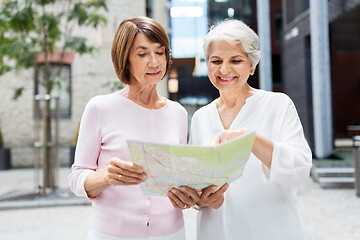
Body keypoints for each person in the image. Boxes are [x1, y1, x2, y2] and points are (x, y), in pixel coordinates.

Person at [168, 19, 312, 240]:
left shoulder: (278, 104)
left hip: (271, 230)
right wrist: (200, 200)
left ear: (252, 65)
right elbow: (197, 181)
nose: (224, 69)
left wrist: (250, 139)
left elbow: (300, 169)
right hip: (215, 232)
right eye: (216, 61)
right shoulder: (200, 117)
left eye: (236, 60)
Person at [69, 16, 191, 240]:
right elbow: (77, 178)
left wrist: (187, 194)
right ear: (125, 59)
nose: (154, 62)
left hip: (171, 232)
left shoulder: (178, 113)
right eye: (142, 54)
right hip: (112, 233)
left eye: (160, 52)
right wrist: (107, 176)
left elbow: (178, 177)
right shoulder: (100, 108)